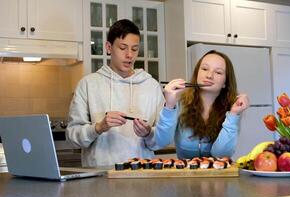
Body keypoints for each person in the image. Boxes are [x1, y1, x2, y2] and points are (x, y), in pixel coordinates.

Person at [66, 19, 164, 167]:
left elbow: (162, 139)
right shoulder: (88, 84)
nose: (129, 55)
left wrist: (149, 133)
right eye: (123, 47)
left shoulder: (152, 86)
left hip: (141, 175)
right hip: (98, 177)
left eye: (134, 49)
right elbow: (72, 137)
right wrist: (98, 128)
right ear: (108, 47)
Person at [153, 50, 250, 159]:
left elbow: (221, 155)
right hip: (185, 174)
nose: (209, 75)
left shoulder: (232, 109)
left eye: (218, 72)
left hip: (219, 174)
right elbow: (161, 141)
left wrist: (233, 115)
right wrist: (169, 106)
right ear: (197, 73)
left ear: (225, 82)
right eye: (204, 69)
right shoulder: (179, 103)